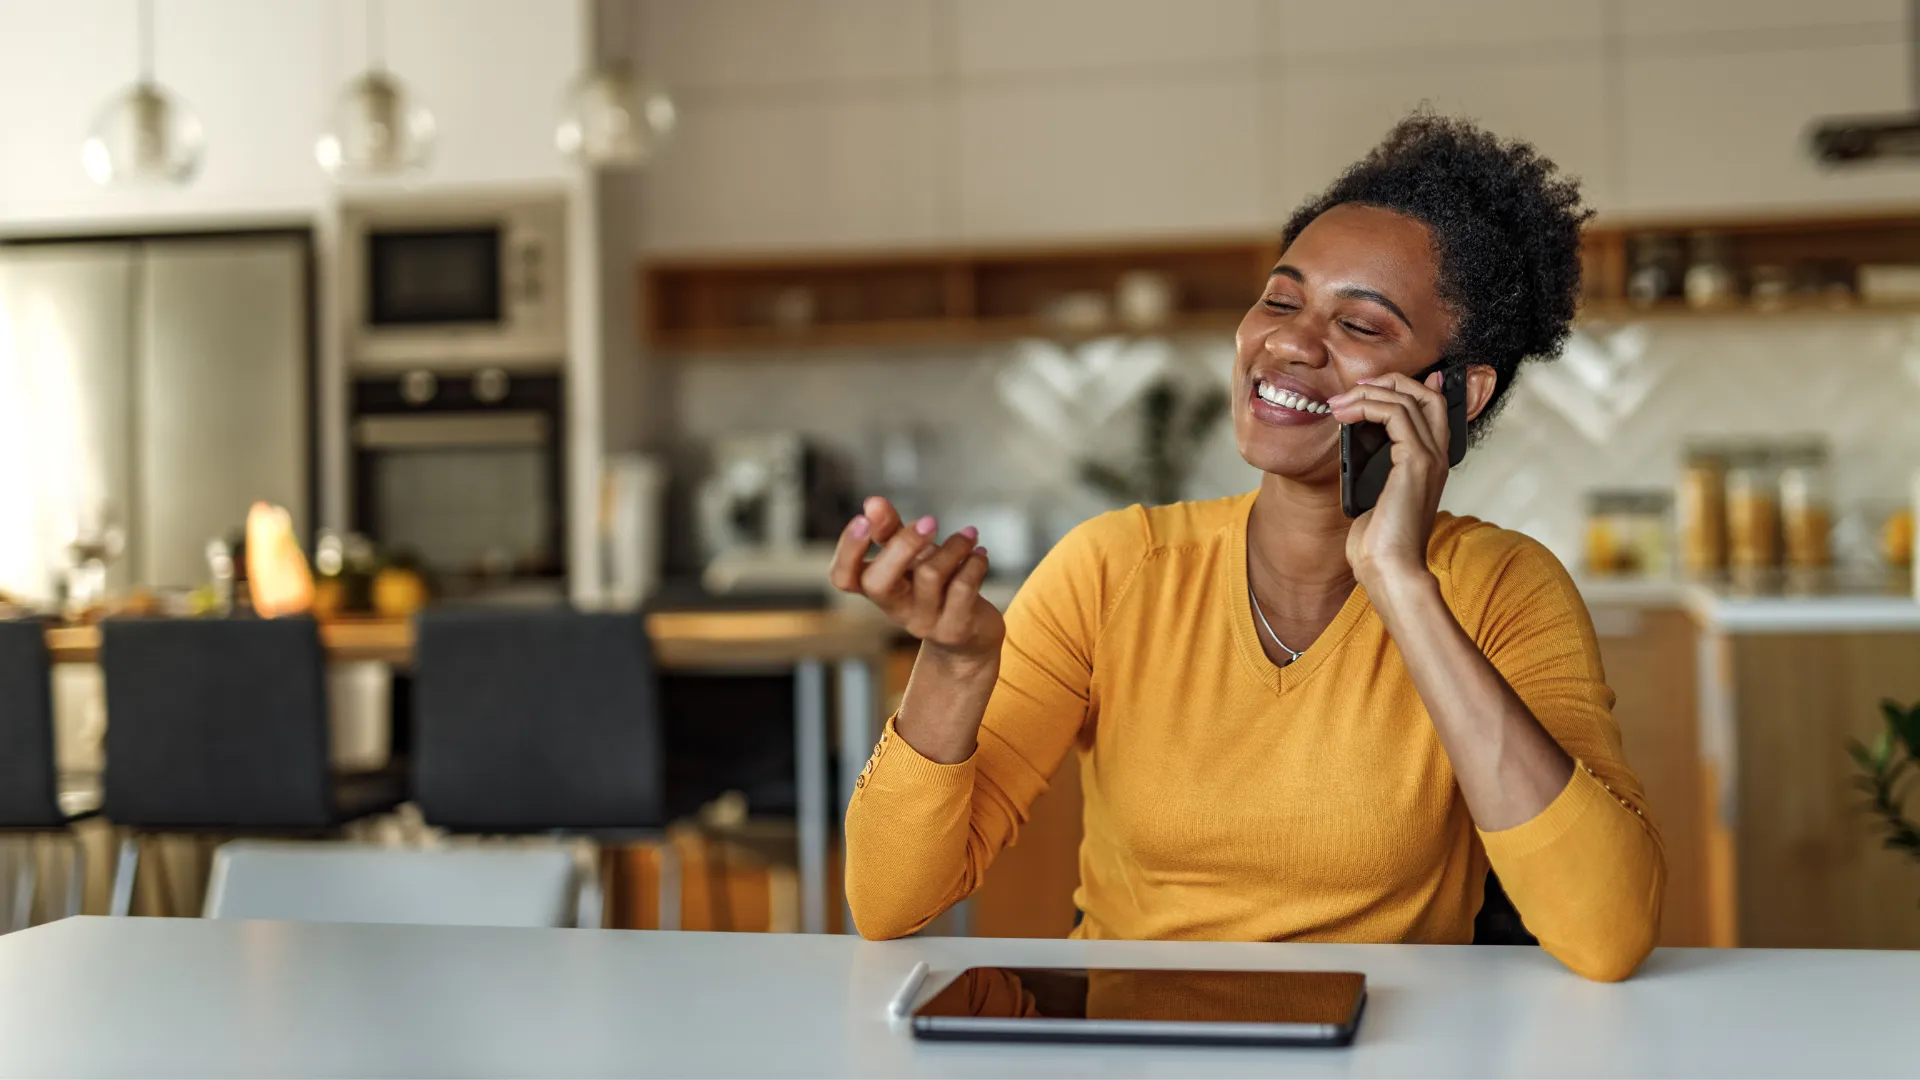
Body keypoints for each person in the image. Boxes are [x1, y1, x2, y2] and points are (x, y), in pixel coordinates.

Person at [831, 112, 1664, 982]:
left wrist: (1399, 582)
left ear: (1456, 393)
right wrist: (957, 666)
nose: (1291, 343)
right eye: (1281, 298)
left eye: (1362, 327)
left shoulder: (1501, 590)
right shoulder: (1116, 568)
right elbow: (890, 904)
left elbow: (1607, 935)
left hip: (1388, 1048)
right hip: (1132, 1045)